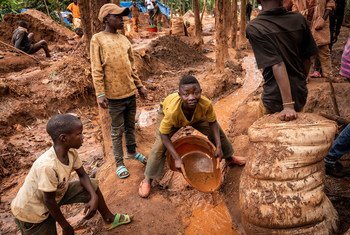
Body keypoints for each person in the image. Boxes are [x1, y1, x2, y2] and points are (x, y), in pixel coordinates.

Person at [11, 114, 132, 235]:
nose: (83, 138)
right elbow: (49, 201)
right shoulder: (47, 166)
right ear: (64, 138)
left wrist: (93, 196)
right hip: (32, 212)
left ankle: (109, 218)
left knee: (92, 185)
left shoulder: (71, 152)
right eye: (79, 134)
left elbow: (83, 175)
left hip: (56, 194)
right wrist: (66, 226)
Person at [138, 75, 246, 198]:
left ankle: (229, 157)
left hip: (196, 117)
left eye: (195, 93)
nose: (191, 97)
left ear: (200, 92)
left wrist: (219, 147)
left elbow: (213, 123)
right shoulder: (172, 111)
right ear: (180, 95)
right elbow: (164, 134)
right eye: (186, 94)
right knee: (159, 145)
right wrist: (177, 158)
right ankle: (148, 178)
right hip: (174, 119)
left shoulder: (205, 104)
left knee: (217, 132)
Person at [90, 4, 148, 179]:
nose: (122, 20)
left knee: (130, 126)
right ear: (107, 18)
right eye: (118, 16)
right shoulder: (97, 39)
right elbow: (96, 68)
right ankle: (119, 162)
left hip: (129, 92)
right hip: (113, 97)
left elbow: (131, 67)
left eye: (122, 16)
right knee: (117, 130)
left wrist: (139, 86)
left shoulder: (124, 40)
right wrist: (100, 93)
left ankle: (131, 152)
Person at [246, 0, 318, 121]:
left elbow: (277, 64)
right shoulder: (299, 20)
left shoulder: (255, 27)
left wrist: (288, 105)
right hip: (299, 95)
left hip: (275, 98)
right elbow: (308, 57)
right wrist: (300, 82)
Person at [292, 0, 335, 79]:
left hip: (320, 23)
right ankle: (304, 77)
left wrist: (323, 19)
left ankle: (329, 77)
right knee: (304, 53)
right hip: (303, 24)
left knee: (324, 51)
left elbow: (330, 3)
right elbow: (294, 7)